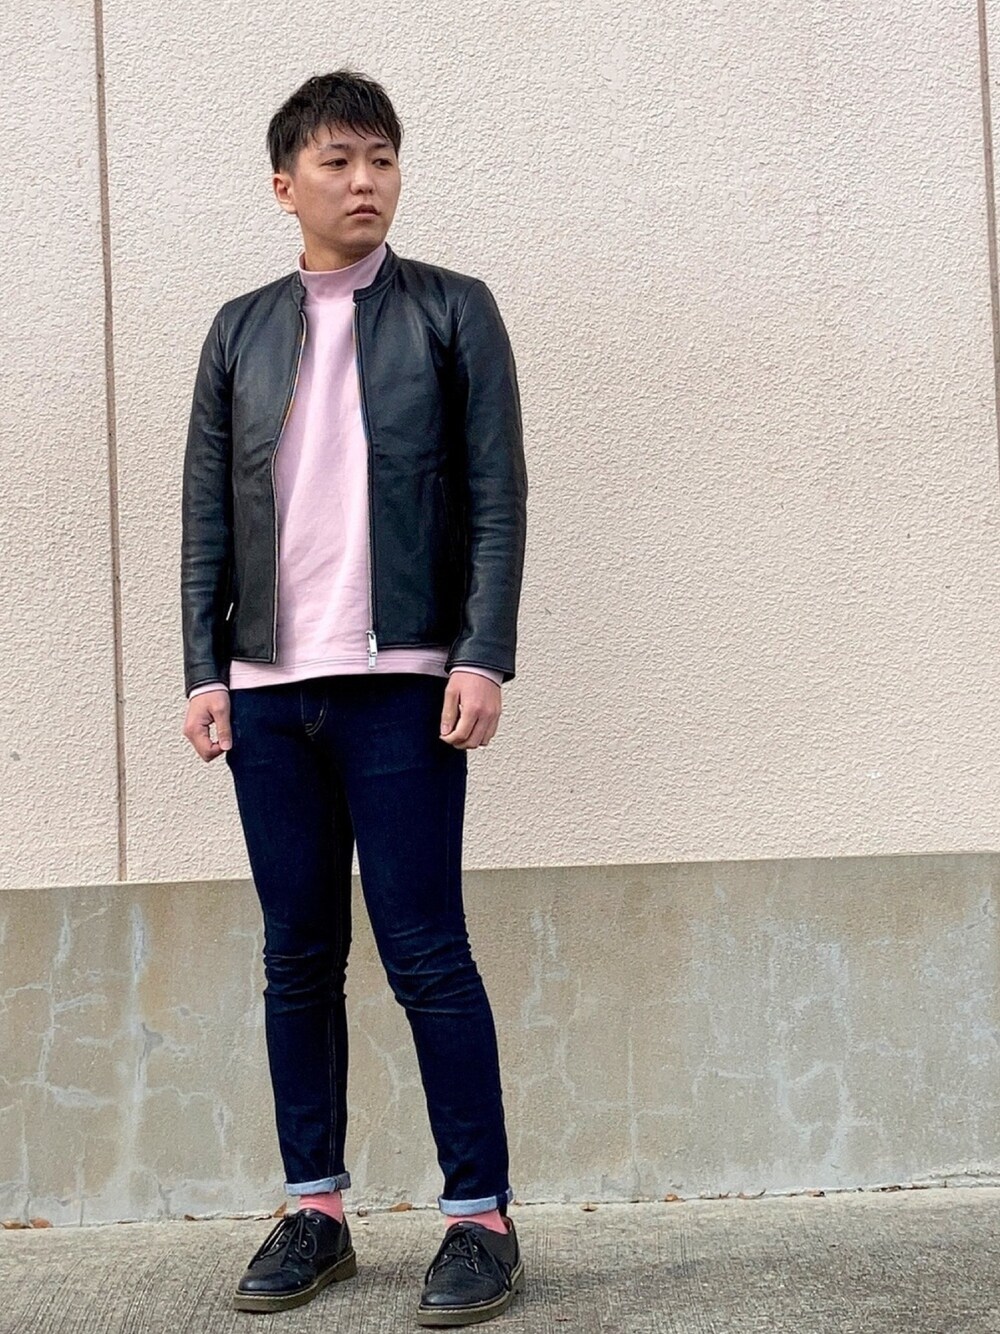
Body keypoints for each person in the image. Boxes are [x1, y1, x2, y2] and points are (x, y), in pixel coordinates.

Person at [180, 69, 527, 1326]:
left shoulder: (452, 309)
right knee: (296, 955)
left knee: (426, 949)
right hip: (270, 693)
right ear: (286, 186)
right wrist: (203, 668)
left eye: (380, 158)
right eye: (336, 161)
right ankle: (315, 1209)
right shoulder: (239, 329)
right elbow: (205, 513)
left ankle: (479, 1219)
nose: (364, 181)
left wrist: (481, 652)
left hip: (401, 684)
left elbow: (496, 492)